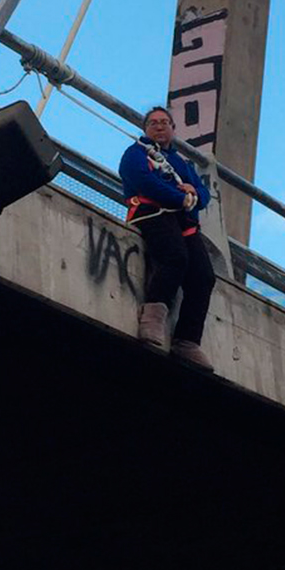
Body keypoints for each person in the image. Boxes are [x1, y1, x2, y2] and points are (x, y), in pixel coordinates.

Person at [118, 106, 216, 371]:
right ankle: (153, 316)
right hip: (151, 212)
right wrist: (181, 197)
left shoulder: (181, 163)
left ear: (173, 128)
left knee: (204, 276)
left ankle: (187, 340)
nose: (159, 126)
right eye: (153, 123)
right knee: (175, 257)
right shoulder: (136, 153)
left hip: (182, 220)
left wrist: (193, 193)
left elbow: (204, 194)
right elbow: (143, 181)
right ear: (145, 128)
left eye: (164, 122)